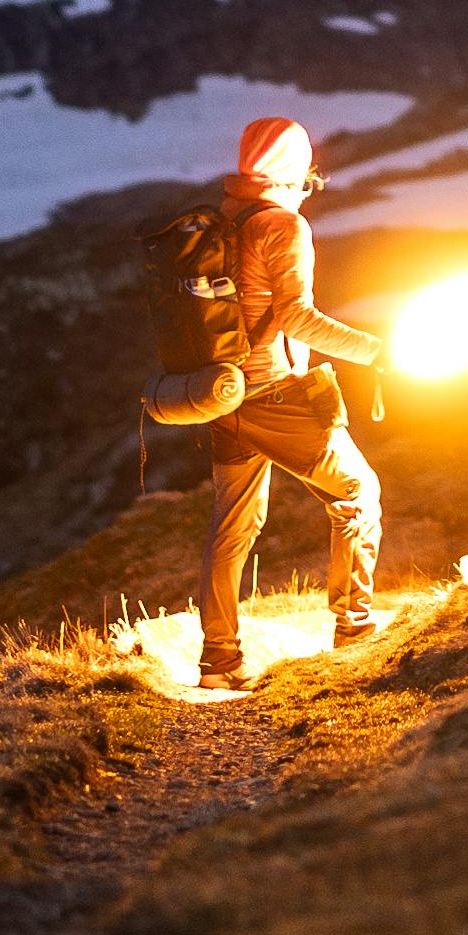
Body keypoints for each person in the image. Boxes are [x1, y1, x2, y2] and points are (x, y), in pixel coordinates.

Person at [194, 114, 385, 694]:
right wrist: (374, 350)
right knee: (358, 492)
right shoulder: (282, 225)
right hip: (272, 389)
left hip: (220, 391)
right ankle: (354, 628)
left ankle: (219, 662)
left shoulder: (225, 219)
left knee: (232, 527)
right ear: (294, 170)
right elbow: (294, 317)